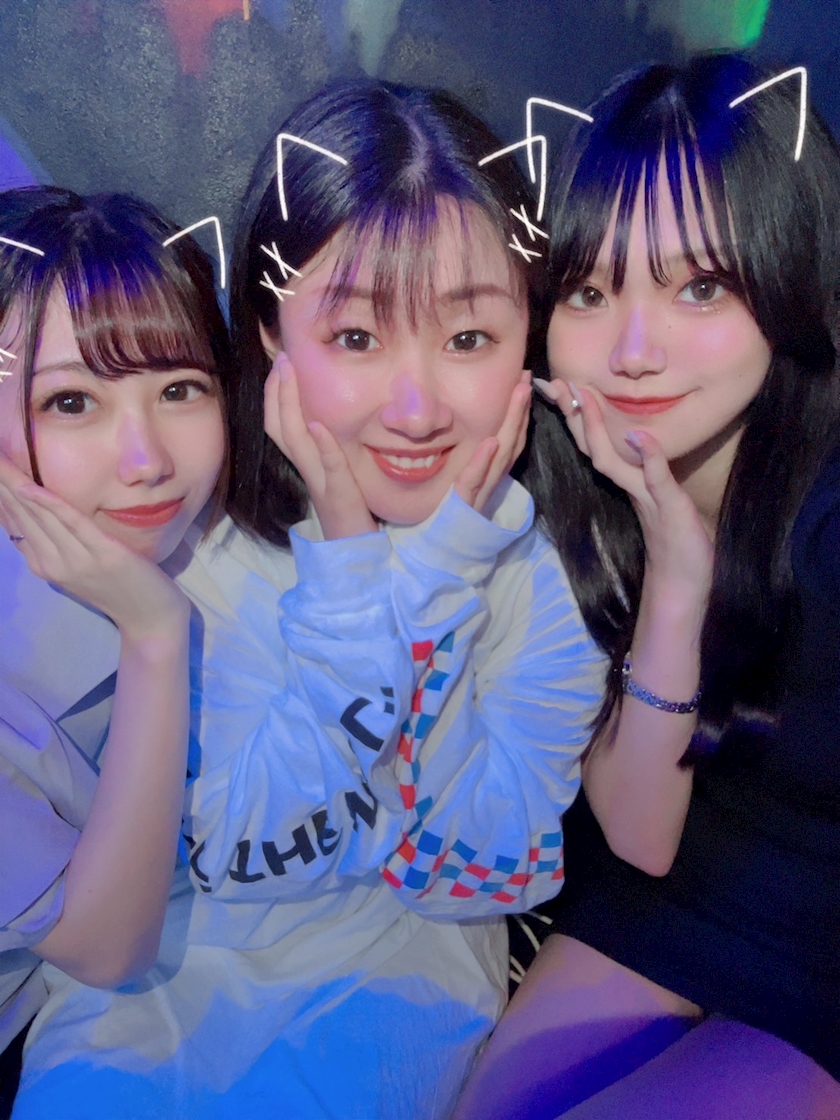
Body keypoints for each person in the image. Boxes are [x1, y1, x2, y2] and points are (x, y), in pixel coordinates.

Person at [12, 82, 605, 1119]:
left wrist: (426, 577)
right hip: (152, 997)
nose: (417, 408)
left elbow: (491, 875)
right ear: (271, 338)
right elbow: (240, 855)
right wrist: (352, 569)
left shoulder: (546, 568)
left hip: (392, 991)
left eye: (468, 339)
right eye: (358, 338)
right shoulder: (201, 547)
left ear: (531, 334)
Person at [454, 53, 840, 1120]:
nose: (631, 350)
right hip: (674, 891)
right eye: (590, 289)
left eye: (700, 286)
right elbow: (639, 835)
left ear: (794, 280)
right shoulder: (566, 488)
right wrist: (676, 576)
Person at [0, 187, 229, 1112]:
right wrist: (155, 635)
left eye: (179, 390)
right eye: (71, 401)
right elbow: (106, 945)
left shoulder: (186, 535)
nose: (146, 460)